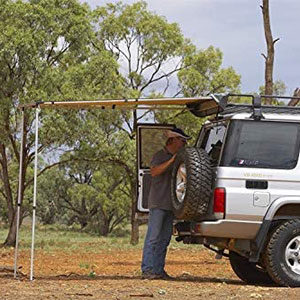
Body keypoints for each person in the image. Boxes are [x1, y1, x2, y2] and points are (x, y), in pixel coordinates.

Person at [141, 127, 191, 280]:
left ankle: (158, 269)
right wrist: (172, 161)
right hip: (158, 203)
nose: (184, 144)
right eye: (182, 141)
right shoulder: (160, 155)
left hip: (171, 205)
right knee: (153, 238)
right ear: (174, 140)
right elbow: (155, 171)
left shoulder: (180, 159)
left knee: (164, 239)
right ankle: (148, 269)